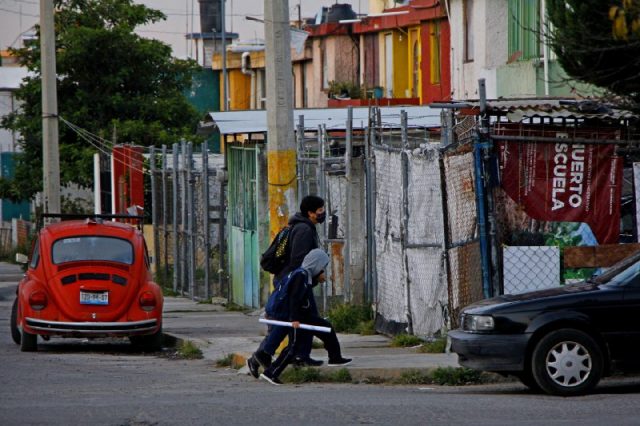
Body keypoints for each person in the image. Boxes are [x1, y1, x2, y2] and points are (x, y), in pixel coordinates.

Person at [247, 195, 327, 377]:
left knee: (306, 318)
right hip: (293, 282)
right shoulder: (304, 230)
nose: (323, 213)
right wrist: (315, 274)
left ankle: (300, 355)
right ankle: (262, 354)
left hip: (295, 280)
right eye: (320, 210)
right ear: (311, 213)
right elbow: (299, 259)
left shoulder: (303, 226)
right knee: (289, 320)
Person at [259, 249, 351, 386]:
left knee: (327, 328)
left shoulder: (305, 275)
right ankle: (271, 372)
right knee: (294, 347)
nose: (323, 271)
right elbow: (294, 299)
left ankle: (335, 358)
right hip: (296, 318)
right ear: (316, 264)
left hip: (304, 316)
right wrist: (294, 319)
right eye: (322, 268)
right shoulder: (301, 276)